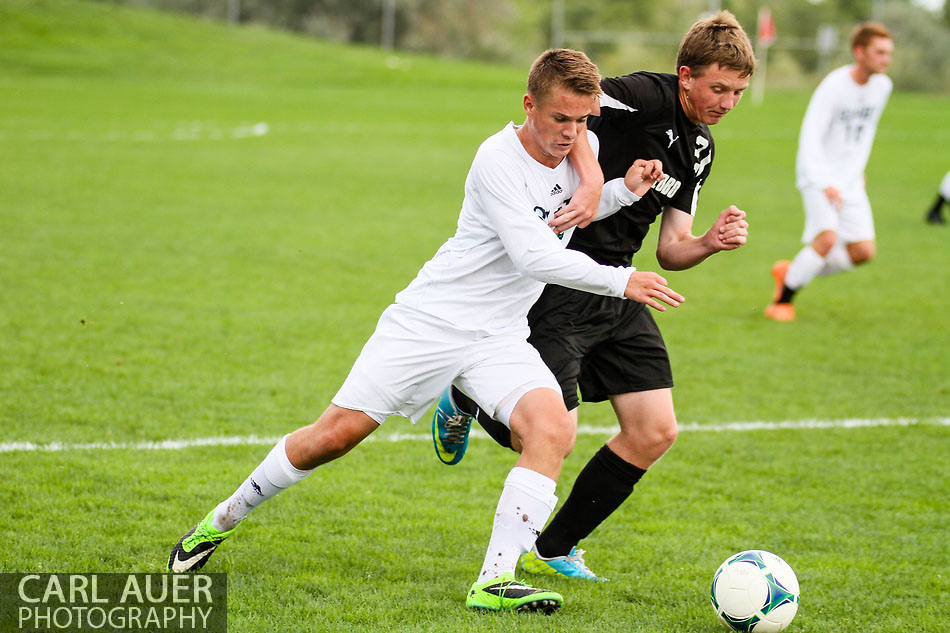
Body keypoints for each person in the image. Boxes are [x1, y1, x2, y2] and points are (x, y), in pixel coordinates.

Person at [167, 48, 684, 613]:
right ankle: (219, 520)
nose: (573, 132)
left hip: (500, 336)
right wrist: (620, 279)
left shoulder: (579, 151)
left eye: (583, 121)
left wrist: (622, 192)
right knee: (331, 438)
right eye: (561, 118)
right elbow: (534, 255)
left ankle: (494, 580)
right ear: (529, 104)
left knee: (551, 431)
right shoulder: (496, 159)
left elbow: (564, 215)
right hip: (430, 323)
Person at [431, 11, 753, 581]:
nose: (728, 102)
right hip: (564, 280)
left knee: (655, 430)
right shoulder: (642, 97)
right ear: (685, 76)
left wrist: (709, 242)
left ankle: (555, 545)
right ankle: (468, 394)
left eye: (739, 92)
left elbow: (672, 247)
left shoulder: (700, 148)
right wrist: (588, 183)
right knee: (542, 432)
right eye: (718, 88)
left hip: (623, 284)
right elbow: (573, 109)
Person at [765, 22, 894, 322]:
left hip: (850, 179)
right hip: (818, 175)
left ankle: (792, 272)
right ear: (859, 52)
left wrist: (857, 170)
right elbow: (810, 136)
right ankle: (782, 303)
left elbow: (865, 134)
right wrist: (824, 181)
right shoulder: (834, 86)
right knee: (825, 240)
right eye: (880, 52)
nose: (886, 59)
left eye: (889, 53)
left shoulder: (883, 87)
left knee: (863, 251)